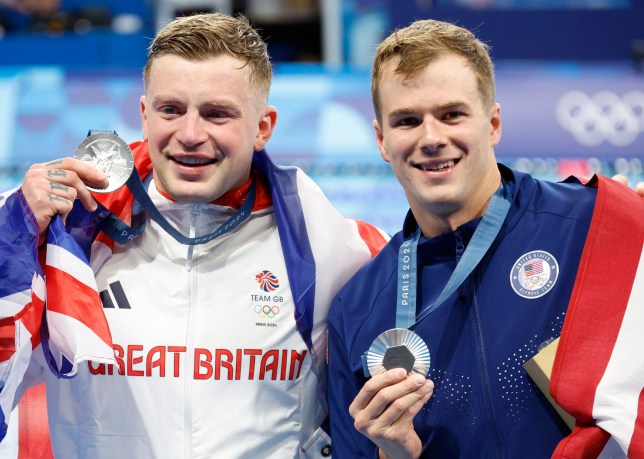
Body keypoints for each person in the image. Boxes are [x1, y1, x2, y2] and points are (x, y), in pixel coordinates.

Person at [0, 13, 388, 458]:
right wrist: (11, 235)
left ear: (263, 126)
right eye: (171, 110)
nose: (189, 135)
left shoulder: (332, 246)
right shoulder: (67, 237)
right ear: (145, 117)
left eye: (217, 113)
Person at [327, 19, 644, 459]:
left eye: (452, 114)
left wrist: (631, 223)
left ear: (493, 123)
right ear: (381, 139)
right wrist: (394, 454)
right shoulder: (358, 308)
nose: (432, 138)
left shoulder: (595, 228)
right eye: (407, 120)